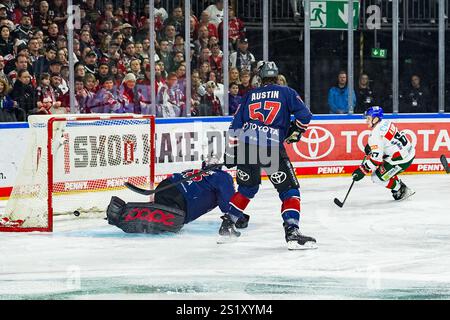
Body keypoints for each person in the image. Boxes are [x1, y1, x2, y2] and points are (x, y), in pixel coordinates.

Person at [220, 61, 317, 250]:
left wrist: (230, 154)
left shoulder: (249, 95)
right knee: (289, 191)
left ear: (260, 77)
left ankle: (227, 226)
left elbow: (235, 127)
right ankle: (292, 231)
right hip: (270, 146)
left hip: (247, 145)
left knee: (246, 189)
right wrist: (295, 131)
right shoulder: (286, 92)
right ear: (276, 76)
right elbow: (305, 115)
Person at [106, 158, 249, 234]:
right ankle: (124, 214)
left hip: (165, 187)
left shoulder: (196, 171)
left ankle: (121, 212)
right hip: (182, 200)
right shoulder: (223, 177)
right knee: (159, 224)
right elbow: (227, 206)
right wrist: (240, 218)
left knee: (157, 217)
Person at [352, 106, 416, 201]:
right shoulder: (386, 122)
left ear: (376, 119)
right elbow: (387, 141)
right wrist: (373, 147)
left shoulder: (374, 135)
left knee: (376, 177)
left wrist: (362, 170)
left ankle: (401, 189)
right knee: (383, 165)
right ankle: (397, 183)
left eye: (368, 118)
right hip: (408, 152)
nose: (366, 121)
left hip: (401, 160)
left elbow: (375, 161)